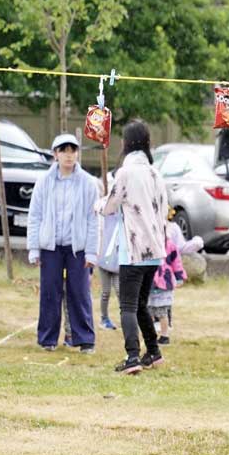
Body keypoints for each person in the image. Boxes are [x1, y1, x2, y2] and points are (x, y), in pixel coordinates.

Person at [101, 120, 168, 374]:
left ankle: (132, 357)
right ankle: (153, 351)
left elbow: (109, 205)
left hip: (133, 249)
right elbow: (163, 210)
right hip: (154, 251)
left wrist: (98, 205)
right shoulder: (155, 173)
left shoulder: (125, 173)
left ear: (126, 144)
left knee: (127, 306)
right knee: (141, 304)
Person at [27, 133, 99, 354]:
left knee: (79, 292)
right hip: (51, 247)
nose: (69, 156)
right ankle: (47, 339)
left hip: (76, 247)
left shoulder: (88, 183)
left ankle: (85, 339)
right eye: (64, 151)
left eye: (72, 151)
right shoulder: (44, 181)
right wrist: (34, 247)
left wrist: (91, 252)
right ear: (55, 154)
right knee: (50, 291)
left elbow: (93, 219)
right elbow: (35, 216)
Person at [150, 214, 189, 345]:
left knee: (162, 311)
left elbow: (176, 262)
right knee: (148, 309)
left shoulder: (170, 245)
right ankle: (151, 334)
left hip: (163, 282)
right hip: (150, 281)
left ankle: (164, 335)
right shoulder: (147, 244)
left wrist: (179, 277)